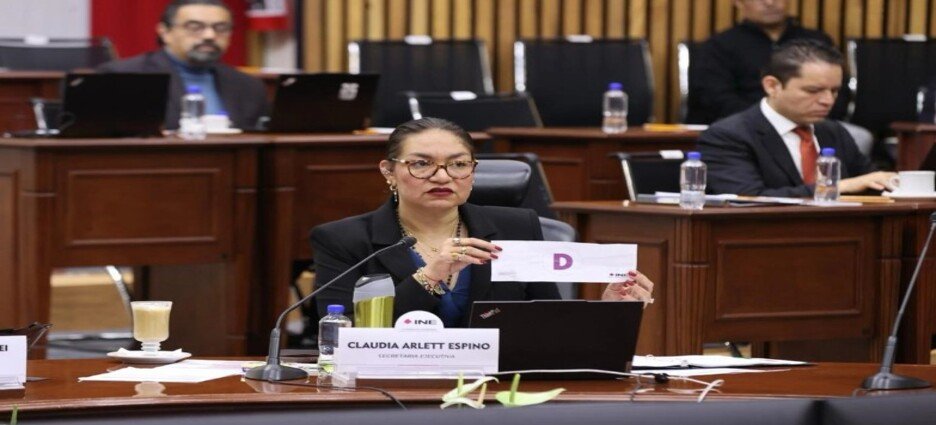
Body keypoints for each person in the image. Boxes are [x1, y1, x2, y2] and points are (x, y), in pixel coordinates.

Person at [311, 117, 654, 328]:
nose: (442, 176)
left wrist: (611, 311)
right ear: (389, 172)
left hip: (497, 386)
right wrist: (430, 276)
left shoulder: (516, 228)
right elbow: (343, 333)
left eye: (458, 164)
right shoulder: (343, 240)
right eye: (421, 164)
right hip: (392, 387)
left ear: (473, 172)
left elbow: (550, 322)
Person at [697, 40, 894, 197]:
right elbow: (747, 199)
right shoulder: (728, 136)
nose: (828, 100)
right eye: (813, 90)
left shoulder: (833, 131)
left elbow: (868, 182)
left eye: (834, 91)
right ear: (772, 86)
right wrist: (836, 187)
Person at [97, 0, 269, 130]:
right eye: (195, 27)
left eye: (221, 28)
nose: (210, 35)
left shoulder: (247, 85)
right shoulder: (125, 77)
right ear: (165, 32)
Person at [691, 0, 847, 124]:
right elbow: (715, 98)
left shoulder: (817, 41)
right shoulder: (719, 45)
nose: (770, 2)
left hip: (815, 124)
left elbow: (839, 91)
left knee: (856, 137)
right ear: (738, 2)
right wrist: (772, 120)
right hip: (744, 126)